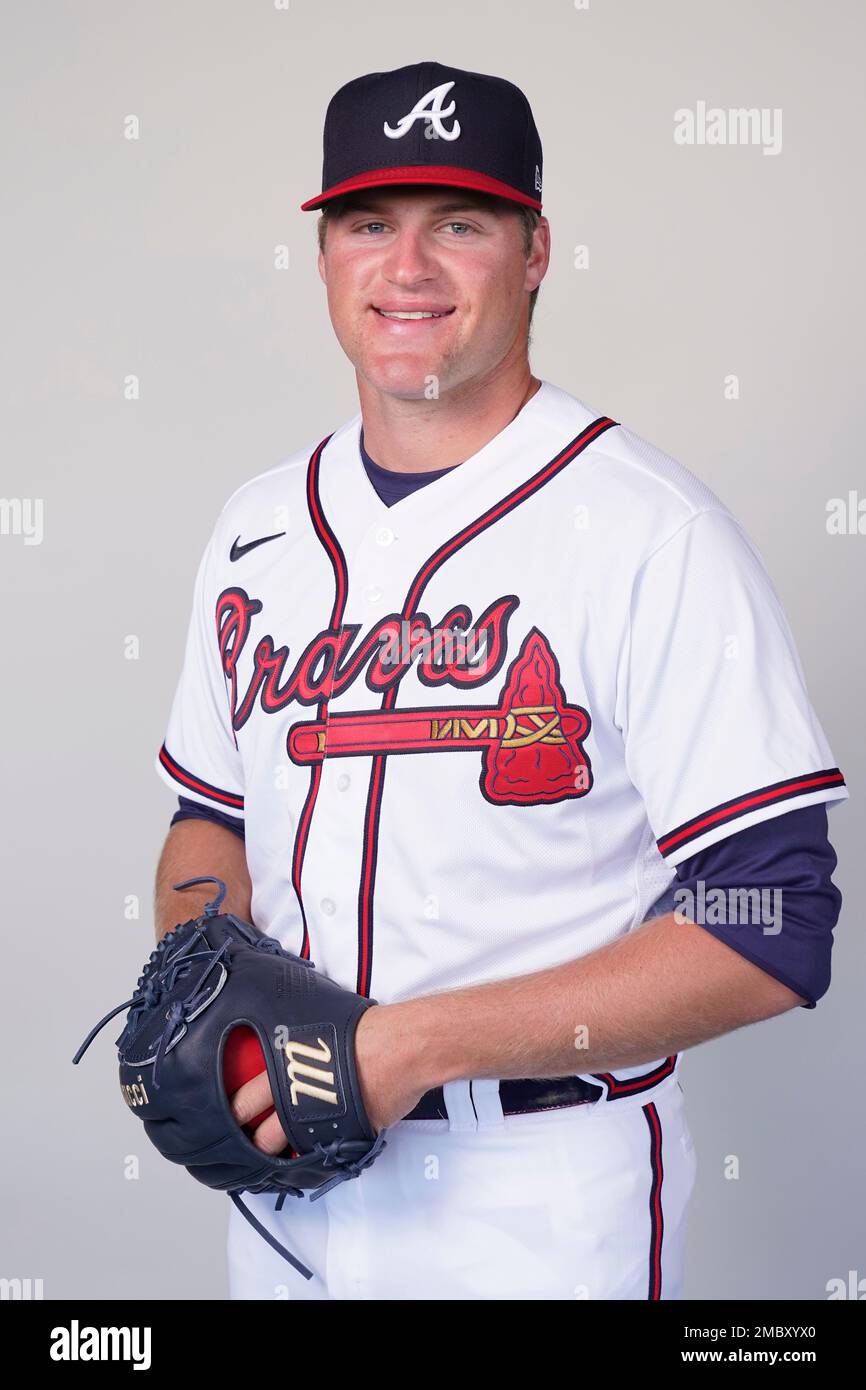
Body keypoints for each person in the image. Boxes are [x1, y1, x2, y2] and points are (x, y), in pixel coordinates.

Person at [154, 61, 847, 1300]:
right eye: (370, 224)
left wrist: (405, 1045)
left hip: (534, 1194)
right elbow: (208, 817)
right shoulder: (255, 528)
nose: (405, 267)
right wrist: (201, 973)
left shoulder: (649, 532)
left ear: (533, 252)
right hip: (282, 1191)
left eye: (457, 225)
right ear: (323, 257)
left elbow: (772, 922)